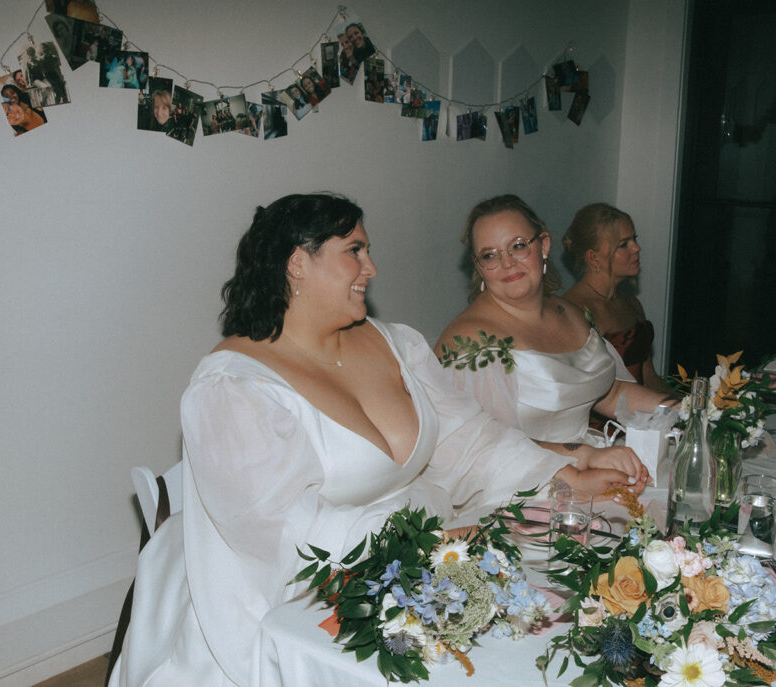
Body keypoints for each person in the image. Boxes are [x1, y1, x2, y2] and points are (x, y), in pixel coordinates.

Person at [108, 193, 628, 687]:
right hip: (281, 587)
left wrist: (563, 473)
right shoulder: (232, 386)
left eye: (368, 250)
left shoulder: (396, 342)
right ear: (297, 263)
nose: (371, 268)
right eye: (354, 251)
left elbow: (466, 437)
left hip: (414, 550)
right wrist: (423, 543)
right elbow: (281, 528)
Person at [438, 195, 679, 496]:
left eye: (518, 245)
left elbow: (613, 393)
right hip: (525, 490)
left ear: (544, 245)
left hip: (592, 463)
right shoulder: (472, 344)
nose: (507, 263)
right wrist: (582, 456)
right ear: (478, 265)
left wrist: (690, 411)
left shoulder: (572, 313)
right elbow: (483, 448)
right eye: (490, 255)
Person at [561, 203, 673, 393]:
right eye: (624, 244)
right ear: (593, 258)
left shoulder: (631, 302)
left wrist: (689, 405)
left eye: (634, 239)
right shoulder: (573, 311)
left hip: (641, 414)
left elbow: (650, 378)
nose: (637, 248)